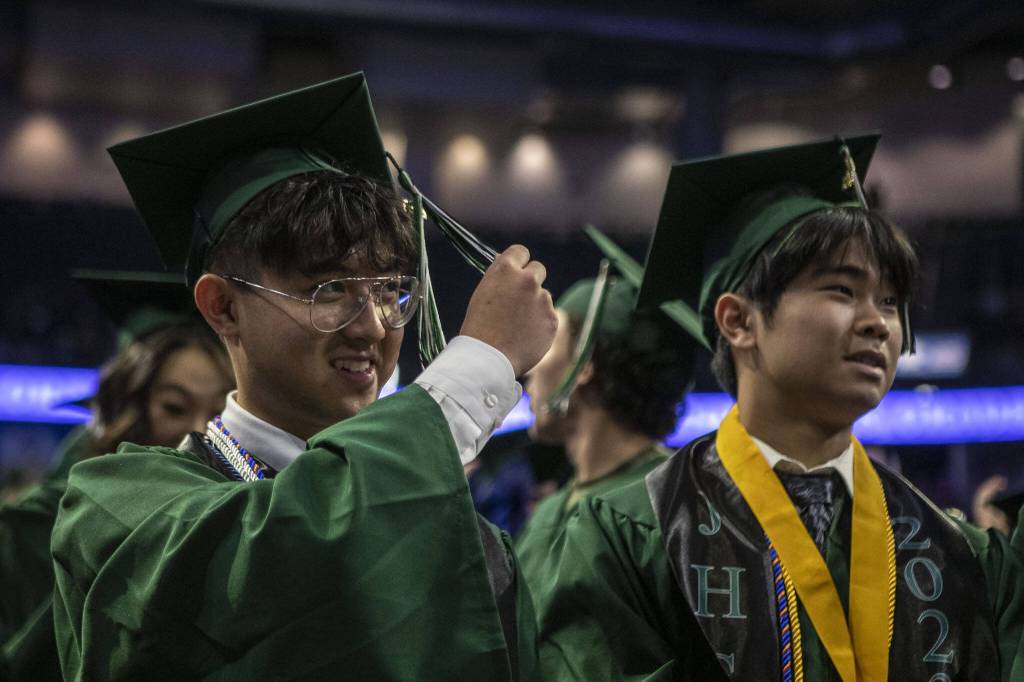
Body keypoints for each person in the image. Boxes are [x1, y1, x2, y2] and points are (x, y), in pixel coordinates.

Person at [51, 72, 556, 680]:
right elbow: (274, 566)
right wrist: (477, 365)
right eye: (330, 288)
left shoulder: (471, 543)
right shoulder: (120, 509)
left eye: (392, 290)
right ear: (223, 307)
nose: (372, 326)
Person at [536, 135, 1024, 680]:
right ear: (738, 321)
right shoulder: (634, 537)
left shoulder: (959, 554)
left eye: (889, 301)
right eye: (842, 290)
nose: (878, 323)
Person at [0, 271, 234, 680]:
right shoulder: (35, 526)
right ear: (128, 408)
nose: (201, 430)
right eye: (174, 408)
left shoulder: (242, 522)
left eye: (219, 412)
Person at [516, 263, 692, 600]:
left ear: (585, 365)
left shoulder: (667, 508)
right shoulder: (553, 510)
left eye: (549, 343)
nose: (531, 368)